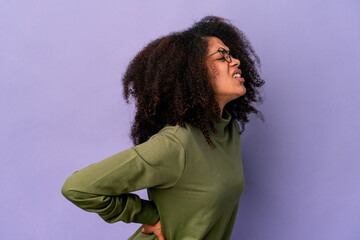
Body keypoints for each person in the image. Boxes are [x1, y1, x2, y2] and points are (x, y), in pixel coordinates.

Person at [61, 16, 264, 240]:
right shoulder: (177, 144)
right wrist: (147, 214)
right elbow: (77, 187)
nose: (235, 61)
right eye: (222, 56)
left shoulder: (228, 131)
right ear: (194, 72)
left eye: (232, 54)